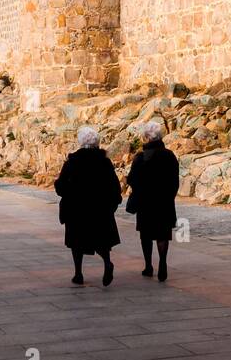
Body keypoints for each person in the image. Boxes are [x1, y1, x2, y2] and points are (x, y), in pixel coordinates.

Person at [54, 126, 121, 286]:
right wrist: (111, 204)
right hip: (100, 209)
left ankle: (78, 273)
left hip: (76, 209)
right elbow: (114, 186)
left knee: (76, 242)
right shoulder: (104, 162)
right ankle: (107, 262)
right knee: (101, 240)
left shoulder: (72, 162)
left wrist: (60, 186)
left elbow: (61, 186)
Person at [126, 120, 180, 282]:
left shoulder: (140, 157)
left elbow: (132, 180)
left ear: (146, 137)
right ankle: (163, 263)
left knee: (146, 234)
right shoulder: (169, 155)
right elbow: (175, 180)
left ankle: (148, 265)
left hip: (145, 202)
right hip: (164, 201)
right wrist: (170, 195)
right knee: (163, 234)